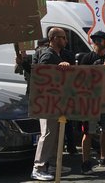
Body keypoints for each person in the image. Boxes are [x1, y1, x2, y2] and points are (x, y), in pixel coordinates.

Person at [31, 27, 74, 181]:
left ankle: (55, 165)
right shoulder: (48, 55)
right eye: (63, 37)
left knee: (55, 134)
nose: (66, 41)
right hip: (47, 102)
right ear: (54, 38)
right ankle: (38, 168)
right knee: (48, 133)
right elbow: (42, 75)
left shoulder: (56, 54)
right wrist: (58, 67)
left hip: (55, 101)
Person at [78, 31, 105, 174]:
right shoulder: (87, 57)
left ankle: (104, 157)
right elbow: (80, 78)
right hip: (90, 101)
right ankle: (86, 162)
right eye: (94, 41)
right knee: (88, 132)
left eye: (99, 41)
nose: (96, 43)